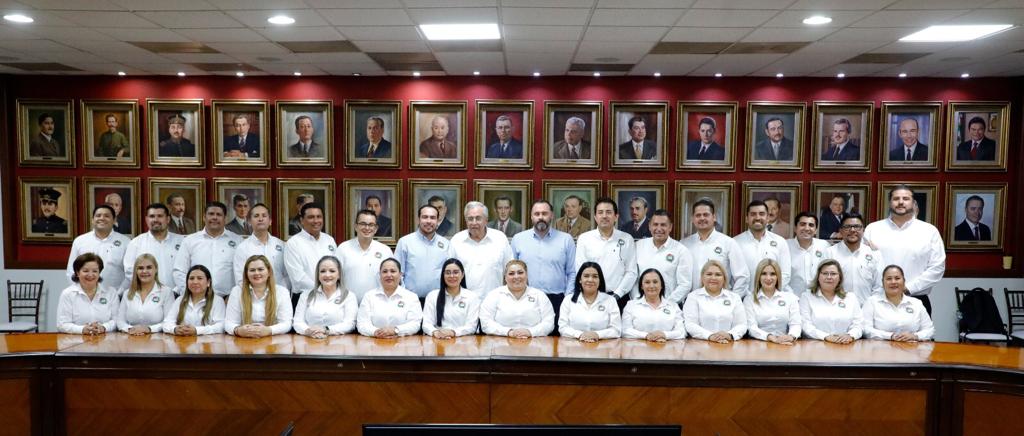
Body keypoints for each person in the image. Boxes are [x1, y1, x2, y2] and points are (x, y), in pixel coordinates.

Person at [863, 184, 945, 315]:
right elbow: (864, 265)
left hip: (916, 298)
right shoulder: (873, 229)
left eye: (906, 198)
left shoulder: (929, 231)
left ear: (913, 203)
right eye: (896, 198)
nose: (901, 202)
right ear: (890, 202)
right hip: (879, 299)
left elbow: (937, 267)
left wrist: (907, 288)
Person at [511, 200, 576, 317]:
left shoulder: (566, 240)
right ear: (531, 216)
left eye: (544, 213)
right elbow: (511, 272)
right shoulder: (518, 239)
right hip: (525, 298)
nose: (540, 217)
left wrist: (567, 298)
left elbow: (572, 272)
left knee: (556, 329)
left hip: (557, 299)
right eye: (537, 214)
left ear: (552, 215)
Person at [575, 197, 638, 307]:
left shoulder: (627, 239)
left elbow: (631, 272)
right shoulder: (584, 239)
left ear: (616, 216)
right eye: (600, 212)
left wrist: (617, 295)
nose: (604, 216)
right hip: (592, 297)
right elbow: (580, 270)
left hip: (619, 298)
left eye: (608, 212)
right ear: (595, 217)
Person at [173, 202, 243, 298]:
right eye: (211, 214)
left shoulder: (238, 241)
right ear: (204, 217)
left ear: (225, 219)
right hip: (197, 298)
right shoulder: (190, 241)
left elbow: (243, 272)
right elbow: (179, 271)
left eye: (219, 214)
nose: (215, 217)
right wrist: (190, 294)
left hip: (228, 299)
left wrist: (235, 296)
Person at [681, 199, 750, 295]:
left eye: (706, 215)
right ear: (692, 219)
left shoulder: (728, 243)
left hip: (720, 300)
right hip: (692, 300)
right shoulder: (684, 244)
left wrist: (732, 299)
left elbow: (742, 276)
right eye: (698, 215)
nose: (702, 218)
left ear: (714, 217)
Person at [479, 260, 555, 338]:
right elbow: (485, 322)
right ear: (505, 277)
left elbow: (549, 323)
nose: (516, 276)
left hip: (534, 340)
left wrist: (530, 332)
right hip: (501, 340)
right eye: (511, 273)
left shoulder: (539, 295)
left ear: (526, 275)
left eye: (520, 273)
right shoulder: (494, 295)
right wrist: (508, 332)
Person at [450, 201, 512, 296]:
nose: (474, 222)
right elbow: (450, 273)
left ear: (486, 220)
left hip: (495, 299)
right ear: (466, 221)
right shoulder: (456, 240)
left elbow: (510, 270)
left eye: (478, 218)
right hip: (464, 300)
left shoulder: (500, 239)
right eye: (470, 219)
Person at [734, 200, 791, 298]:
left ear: (767, 218)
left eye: (761, 214)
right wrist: (748, 297)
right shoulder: (735, 242)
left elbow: (785, 274)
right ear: (747, 219)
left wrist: (768, 294)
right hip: (743, 299)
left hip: (772, 299)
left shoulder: (780, 242)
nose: (757, 218)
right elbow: (732, 276)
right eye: (753, 214)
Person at [225, 255, 293, 337]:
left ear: (269, 272)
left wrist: (269, 330)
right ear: (246, 274)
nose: (256, 273)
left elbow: (286, 323)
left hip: (272, 339)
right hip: (244, 339)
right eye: (252, 270)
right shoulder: (237, 291)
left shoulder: (282, 292)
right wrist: (238, 330)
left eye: (260, 269)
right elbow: (229, 323)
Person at [395, 204, 454, 300]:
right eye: (425, 217)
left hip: (438, 300)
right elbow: (398, 273)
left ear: (438, 221)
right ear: (418, 219)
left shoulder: (446, 244)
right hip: (410, 300)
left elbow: (450, 273)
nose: (429, 221)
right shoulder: (405, 242)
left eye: (432, 218)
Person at [862, 265, 935, 341]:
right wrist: (890, 336)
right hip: (880, 347)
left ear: (904, 281)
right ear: (883, 283)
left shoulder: (917, 303)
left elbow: (929, 330)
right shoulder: (872, 302)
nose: (893, 282)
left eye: (897, 278)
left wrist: (915, 336)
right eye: (889, 279)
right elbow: (865, 329)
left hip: (912, 346)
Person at [284, 202, 337, 305]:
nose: (316, 221)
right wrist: (322, 290)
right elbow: (298, 278)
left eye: (319, 217)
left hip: (330, 296)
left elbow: (336, 269)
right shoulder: (293, 243)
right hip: (304, 297)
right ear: (301, 220)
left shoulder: (329, 240)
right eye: (311, 217)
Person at [67, 205, 130, 291]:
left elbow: (130, 272)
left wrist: (120, 293)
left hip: (116, 295)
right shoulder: (80, 241)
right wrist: (80, 291)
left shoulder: (126, 242)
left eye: (106, 216)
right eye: (98, 215)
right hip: (85, 294)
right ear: (92, 220)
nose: (102, 218)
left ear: (114, 220)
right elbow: (71, 270)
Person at [636, 210, 693, 305]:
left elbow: (685, 284)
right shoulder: (638, 246)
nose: (659, 229)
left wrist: (665, 304)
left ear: (670, 227)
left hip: (670, 306)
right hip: (641, 305)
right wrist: (638, 300)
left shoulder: (681, 251)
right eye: (655, 224)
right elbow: (634, 278)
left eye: (663, 225)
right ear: (649, 226)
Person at [356, 258, 424, 337]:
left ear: (400, 274)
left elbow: (415, 324)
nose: (388, 275)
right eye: (385, 271)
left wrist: (395, 330)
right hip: (374, 340)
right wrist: (376, 332)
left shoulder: (411, 297)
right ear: (380, 275)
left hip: (402, 341)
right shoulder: (369, 296)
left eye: (393, 271)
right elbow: (362, 323)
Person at [798, 260, 863, 343]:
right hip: (816, 345)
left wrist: (850, 335)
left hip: (845, 345)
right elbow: (805, 325)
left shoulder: (851, 298)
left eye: (833, 274)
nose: (829, 277)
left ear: (840, 277)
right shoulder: (806, 297)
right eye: (825, 273)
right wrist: (825, 337)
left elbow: (858, 324)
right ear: (818, 277)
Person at [683, 260, 747, 343]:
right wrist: (710, 336)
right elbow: (690, 324)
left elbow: (741, 324)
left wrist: (729, 335)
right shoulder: (693, 297)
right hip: (701, 345)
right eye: (709, 274)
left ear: (724, 278)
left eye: (718, 274)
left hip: (728, 344)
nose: (713, 278)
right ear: (702, 277)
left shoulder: (734, 298)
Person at [826, 213, 884, 304]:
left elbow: (879, 286)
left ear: (863, 230)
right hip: (837, 307)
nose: (852, 230)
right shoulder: (829, 253)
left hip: (867, 307)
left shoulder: (874, 254)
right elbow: (825, 284)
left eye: (857, 226)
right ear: (840, 231)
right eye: (847, 227)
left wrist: (871, 306)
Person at [294, 256, 358, 338]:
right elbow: (297, 322)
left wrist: (326, 330)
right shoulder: (305, 295)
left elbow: (349, 324)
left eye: (332, 271)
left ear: (339, 275)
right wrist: (308, 331)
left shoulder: (349, 296)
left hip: (338, 341)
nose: (327, 275)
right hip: (310, 339)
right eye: (323, 271)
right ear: (318, 275)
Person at [337, 209, 393, 302]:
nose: (367, 228)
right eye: (363, 224)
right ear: (356, 226)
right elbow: (335, 277)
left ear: (376, 229)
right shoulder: (343, 249)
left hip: (377, 304)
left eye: (371, 225)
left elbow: (392, 279)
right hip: (348, 304)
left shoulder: (385, 251)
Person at [58, 253, 120, 334]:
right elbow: (62, 324)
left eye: (95, 271)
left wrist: (103, 327)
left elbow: (117, 320)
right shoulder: (68, 294)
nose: (90, 275)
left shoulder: (111, 293)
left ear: (99, 273)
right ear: (77, 273)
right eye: (85, 271)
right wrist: (82, 329)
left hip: (105, 338)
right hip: (76, 339)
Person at [558, 262, 622, 341]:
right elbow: (563, 327)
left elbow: (616, 330)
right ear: (580, 280)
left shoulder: (610, 300)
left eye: (595, 276)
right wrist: (580, 335)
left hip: (603, 345)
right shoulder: (568, 300)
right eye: (586, 276)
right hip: (574, 344)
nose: (590, 280)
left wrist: (597, 335)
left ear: (600, 280)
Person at [233, 203, 290, 290]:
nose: (260, 219)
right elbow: (240, 279)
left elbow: (288, 275)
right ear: (249, 222)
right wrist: (258, 294)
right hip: (252, 296)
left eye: (264, 216)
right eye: (256, 216)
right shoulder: (242, 248)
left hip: (279, 295)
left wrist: (279, 292)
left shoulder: (282, 245)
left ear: (270, 221)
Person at [124, 203, 183, 287]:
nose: (155, 219)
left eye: (160, 216)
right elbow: (130, 272)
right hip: (148, 293)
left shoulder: (182, 242)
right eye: (152, 216)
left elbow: (187, 270)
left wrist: (178, 290)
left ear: (168, 219)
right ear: (146, 219)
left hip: (177, 293)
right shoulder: (136, 243)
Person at [743, 259, 800, 345]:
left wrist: (791, 336)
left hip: (785, 344)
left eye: (773, 274)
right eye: (764, 274)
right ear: (758, 276)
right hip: (760, 345)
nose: (768, 278)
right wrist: (770, 337)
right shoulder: (749, 300)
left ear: (778, 277)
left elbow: (796, 324)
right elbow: (751, 327)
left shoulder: (790, 298)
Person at [116, 254, 175, 335]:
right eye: (140, 268)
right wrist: (131, 329)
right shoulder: (127, 293)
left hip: (158, 339)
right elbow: (120, 321)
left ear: (156, 269)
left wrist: (149, 329)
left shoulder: (167, 292)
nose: (144, 271)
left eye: (149, 267)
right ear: (136, 271)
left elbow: (169, 322)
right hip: (131, 337)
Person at [422, 259, 481, 338]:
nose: (452, 276)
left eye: (456, 272)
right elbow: (426, 324)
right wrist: (435, 332)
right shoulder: (432, 296)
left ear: (462, 274)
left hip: (463, 340)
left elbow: (472, 326)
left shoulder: (472, 297)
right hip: (438, 340)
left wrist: (453, 332)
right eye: (448, 273)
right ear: (443, 275)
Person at [622, 269, 686, 341]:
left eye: (655, 282)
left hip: (667, 346)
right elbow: (625, 330)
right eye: (647, 282)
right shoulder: (631, 305)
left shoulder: (673, 306)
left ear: (661, 285)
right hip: (639, 346)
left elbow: (682, 332)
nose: (651, 286)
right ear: (641, 286)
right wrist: (646, 336)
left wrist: (664, 335)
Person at [162, 265, 225, 335]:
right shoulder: (180, 300)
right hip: (183, 340)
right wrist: (175, 329)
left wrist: (197, 330)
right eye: (191, 278)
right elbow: (167, 323)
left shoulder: (217, 301)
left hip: (207, 341)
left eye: (199, 278)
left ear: (208, 282)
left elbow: (221, 326)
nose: (195, 282)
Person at [787, 212, 830, 296]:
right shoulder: (786, 246)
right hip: (792, 298)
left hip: (818, 298)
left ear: (816, 230)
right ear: (795, 228)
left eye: (811, 225)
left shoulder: (824, 246)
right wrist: (791, 297)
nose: (807, 228)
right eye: (802, 224)